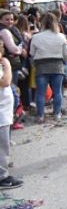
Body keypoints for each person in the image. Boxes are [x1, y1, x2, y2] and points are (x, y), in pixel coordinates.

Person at [30, 13, 67, 123]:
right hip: (57, 66)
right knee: (57, 92)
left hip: (41, 67)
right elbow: (66, 55)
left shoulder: (36, 37)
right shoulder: (61, 37)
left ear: (42, 22)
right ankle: (57, 114)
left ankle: (40, 116)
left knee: (40, 92)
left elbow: (32, 53)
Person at [0, 43, 22, 190]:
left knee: (4, 144)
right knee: (2, 146)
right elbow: (5, 82)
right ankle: (2, 177)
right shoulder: (4, 64)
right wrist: (7, 66)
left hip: (4, 113)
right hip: (1, 115)